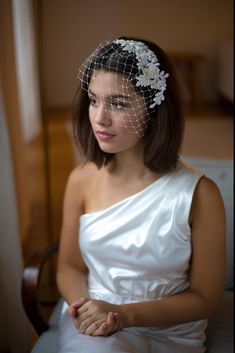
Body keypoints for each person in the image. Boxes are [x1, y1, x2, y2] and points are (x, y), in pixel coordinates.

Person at [56, 36, 226, 353]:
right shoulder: (81, 180)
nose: (100, 118)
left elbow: (205, 298)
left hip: (173, 334)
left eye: (117, 103)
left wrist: (124, 314)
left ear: (155, 107)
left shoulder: (201, 195)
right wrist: (88, 309)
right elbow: (69, 266)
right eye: (94, 100)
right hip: (97, 330)